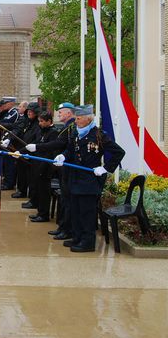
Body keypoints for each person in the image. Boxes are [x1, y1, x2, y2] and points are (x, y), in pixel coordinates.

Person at [53, 105, 125, 253]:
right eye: (76, 118)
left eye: (79, 119)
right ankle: (77, 237)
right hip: (75, 178)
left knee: (87, 213)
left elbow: (119, 152)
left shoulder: (98, 135)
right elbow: (70, 150)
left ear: (88, 119)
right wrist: (63, 156)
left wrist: (105, 168)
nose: (76, 121)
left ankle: (88, 242)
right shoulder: (76, 133)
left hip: (89, 180)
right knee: (76, 211)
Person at [26, 102, 76, 240]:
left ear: (68, 113)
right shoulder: (67, 127)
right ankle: (63, 227)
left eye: (61, 112)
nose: (58, 114)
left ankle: (66, 229)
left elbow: (60, 144)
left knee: (67, 201)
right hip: (62, 167)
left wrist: (38, 147)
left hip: (67, 168)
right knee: (64, 200)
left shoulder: (71, 127)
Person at [23, 111, 58, 222]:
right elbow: (35, 144)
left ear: (49, 121)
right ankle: (40, 211)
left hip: (45, 166)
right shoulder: (41, 131)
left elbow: (49, 149)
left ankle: (44, 214)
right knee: (38, 189)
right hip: (37, 164)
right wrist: (24, 153)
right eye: (39, 121)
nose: (40, 123)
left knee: (44, 192)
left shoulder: (53, 133)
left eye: (42, 121)